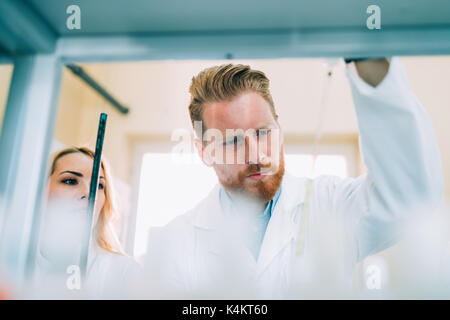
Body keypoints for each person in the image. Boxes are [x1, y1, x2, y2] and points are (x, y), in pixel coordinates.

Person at [143, 58, 443, 298]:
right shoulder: (174, 242)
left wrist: (370, 65)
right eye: (232, 141)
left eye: (263, 133)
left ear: (279, 130)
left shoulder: (331, 206)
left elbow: (409, 198)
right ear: (204, 152)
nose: (257, 155)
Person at [35, 147, 139, 298]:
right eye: (70, 181)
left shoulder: (125, 273)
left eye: (99, 186)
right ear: (39, 189)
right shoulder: (11, 261)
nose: (89, 194)